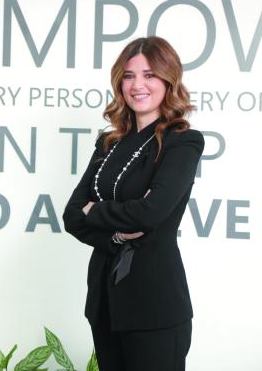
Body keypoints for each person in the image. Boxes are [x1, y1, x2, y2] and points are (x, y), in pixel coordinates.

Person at [63, 36, 204, 371]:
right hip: (105, 300)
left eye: (149, 75)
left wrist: (95, 210)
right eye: (129, 76)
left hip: (154, 301)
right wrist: (114, 234)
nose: (138, 84)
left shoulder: (182, 142)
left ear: (169, 81)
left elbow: (151, 213)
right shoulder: (108, 143)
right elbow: (71, 216)